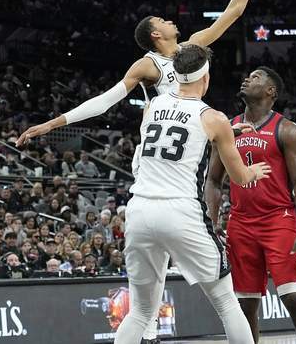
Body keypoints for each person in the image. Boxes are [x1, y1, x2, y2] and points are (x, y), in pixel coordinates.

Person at [14, 0, 275, 148]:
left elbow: (233, 11)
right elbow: (105, 101)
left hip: (189, 140)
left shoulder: (192, 47)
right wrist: (52, 124)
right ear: (155, 34)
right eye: (162, 21)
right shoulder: (147, 65)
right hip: (157, 146)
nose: (170, 21)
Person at [114, 44, 271, 344]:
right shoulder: (214, 118)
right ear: (205, 78)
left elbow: (172, 136)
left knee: (141, 312)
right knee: (227, 303)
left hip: (139, 209)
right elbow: (239, 176)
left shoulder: (152, 106)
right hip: (180, 211)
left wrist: (223, 135)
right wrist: (253, 171)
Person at [206, 68, 296, 344]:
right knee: (244, 306)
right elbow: (213, 180)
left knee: (294, 298)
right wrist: (212, 220)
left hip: (279, 219)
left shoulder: (288, 130)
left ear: (271, 91)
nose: (247, 79)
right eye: (247, 76)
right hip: (240, 223)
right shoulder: (228, 128)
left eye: (256, 77)